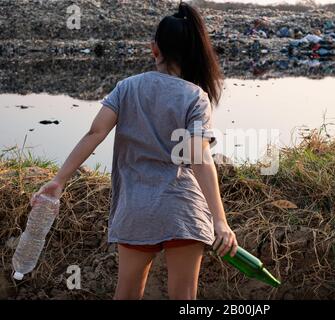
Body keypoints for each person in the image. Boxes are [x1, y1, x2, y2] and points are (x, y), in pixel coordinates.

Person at [30, 2, 238, 300]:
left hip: (135, 209)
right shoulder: (196, 97)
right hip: (183, 209)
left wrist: (59, 180)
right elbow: (199, 158)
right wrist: (220, 220)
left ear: (154, 49)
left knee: (126, 294)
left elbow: (95, 133)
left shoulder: (126, 88)